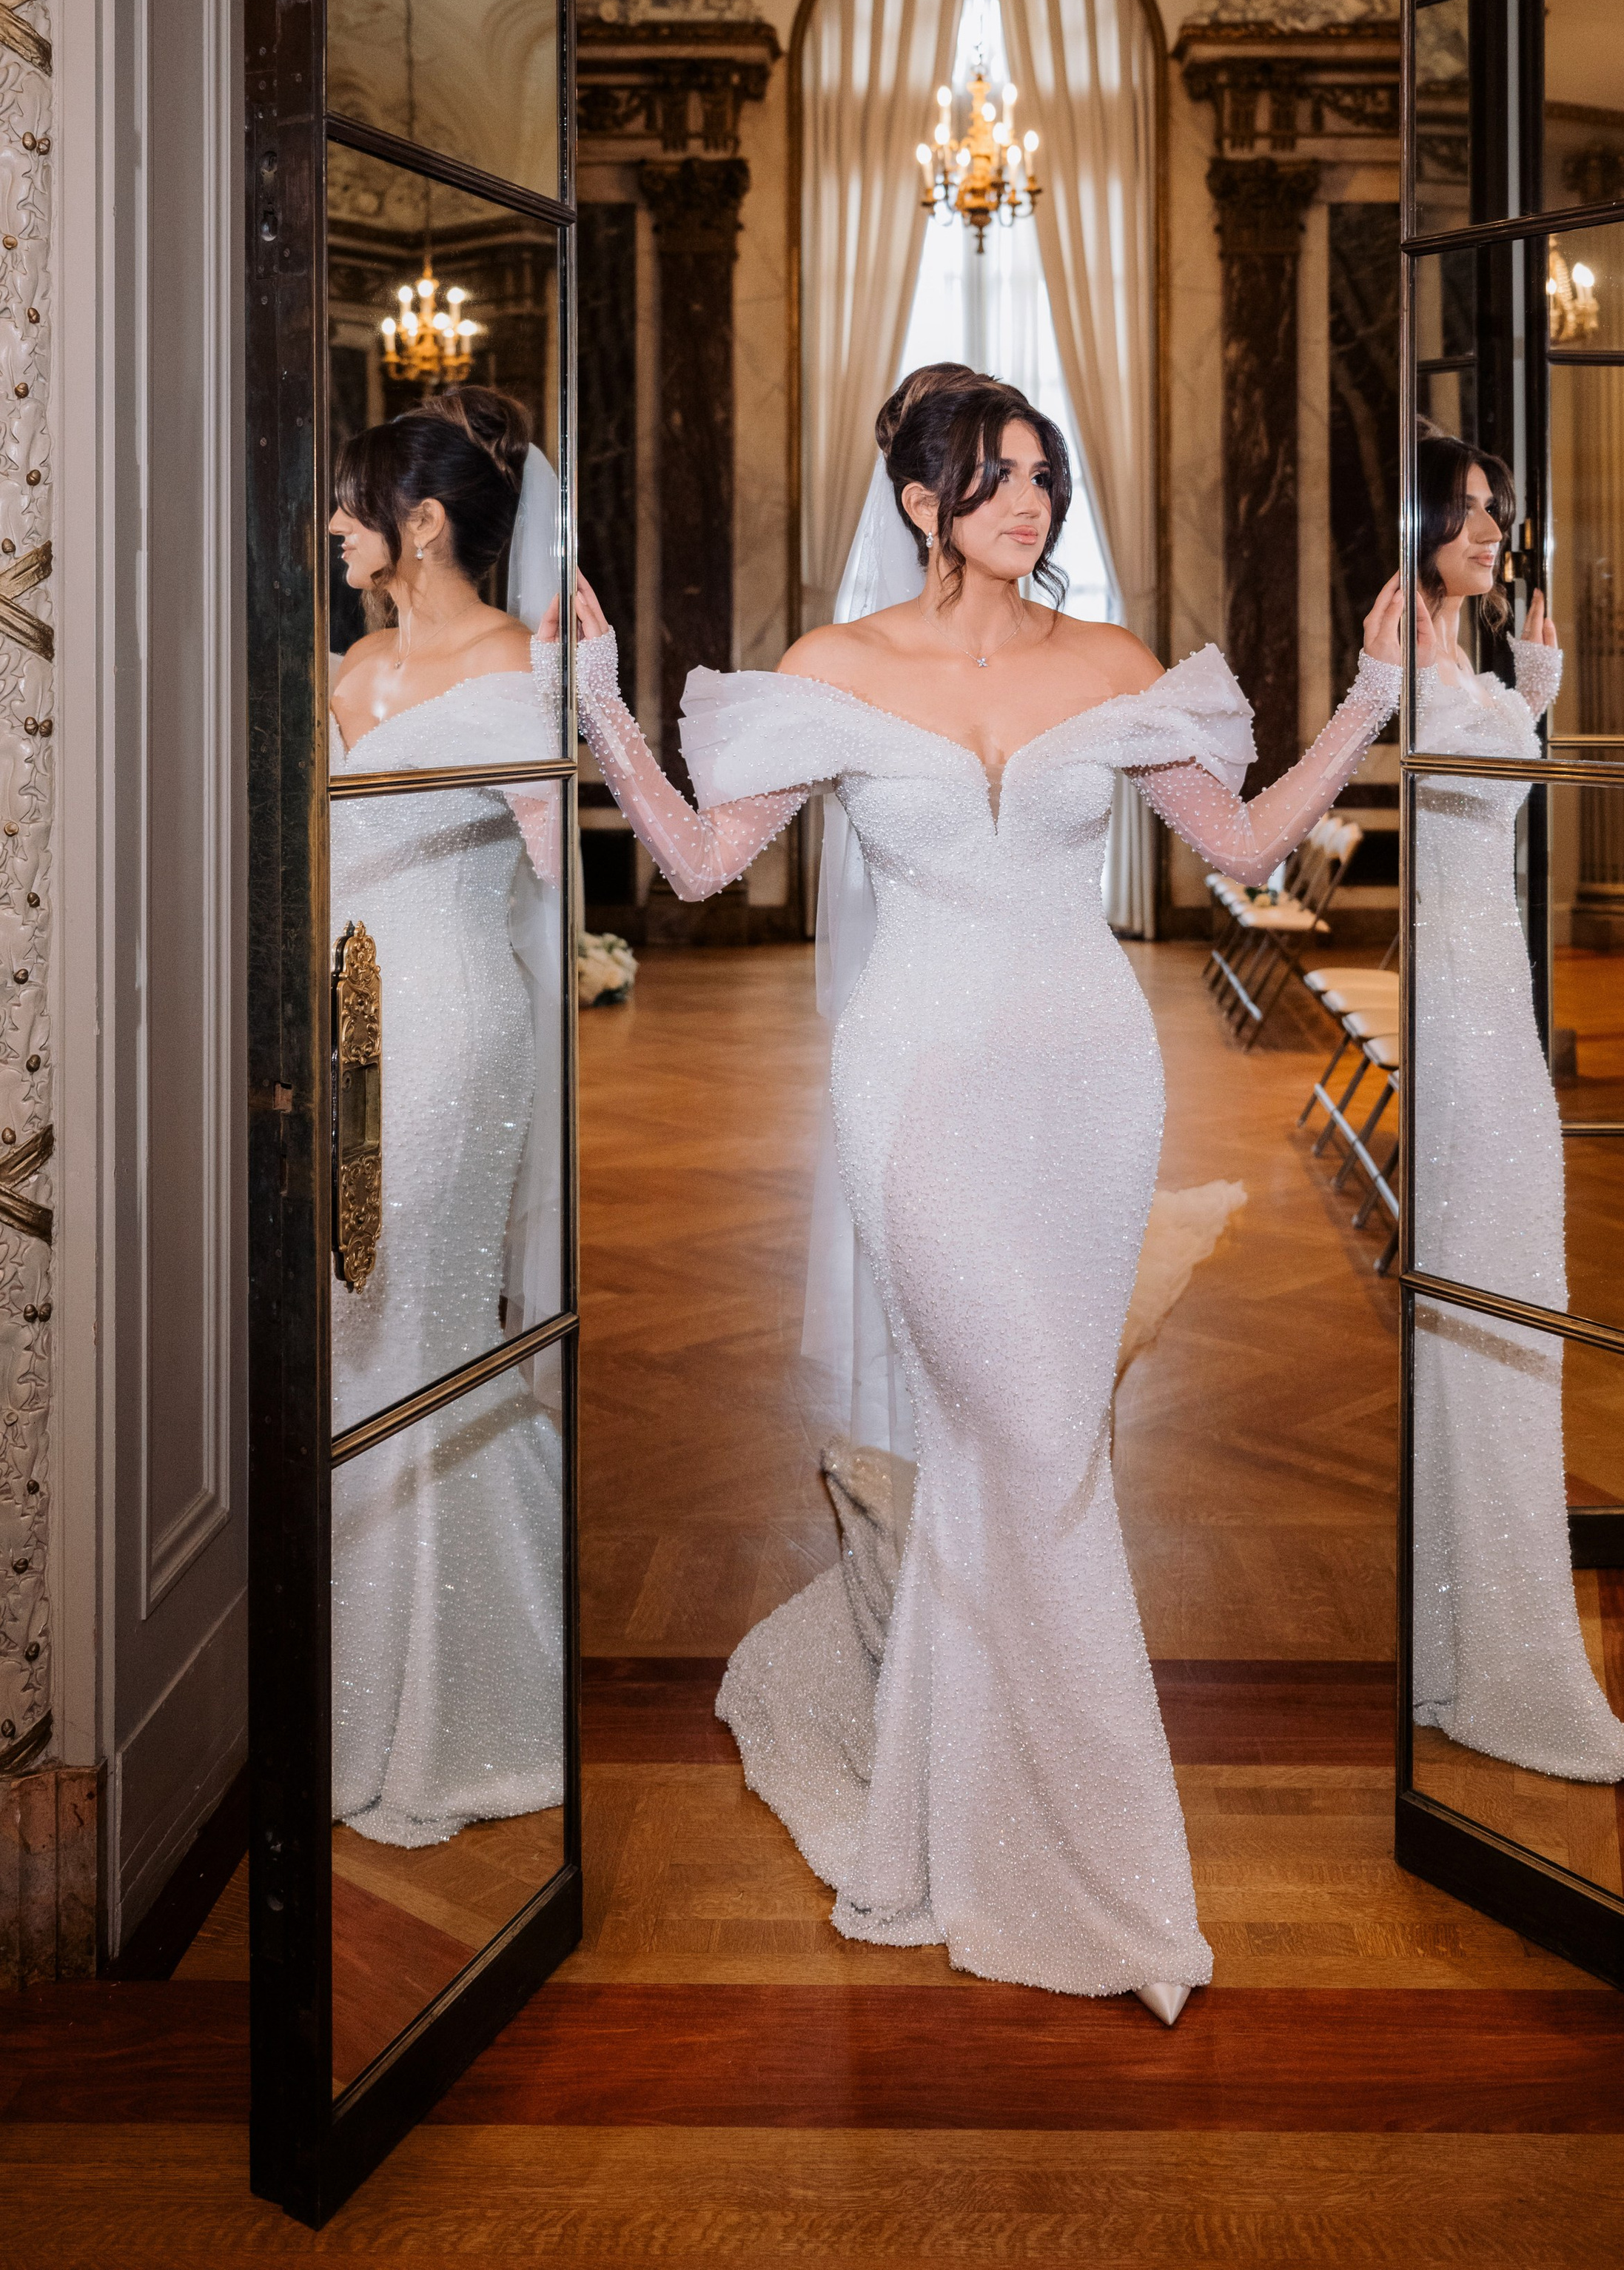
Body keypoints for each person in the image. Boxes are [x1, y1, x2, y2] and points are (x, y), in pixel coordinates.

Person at [541, 366, 1404, 2018]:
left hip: (1090, 1081)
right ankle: (1109, 1869)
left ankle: (952, 1804)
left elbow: (1237, 850)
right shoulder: (832, 668)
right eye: (994, 475)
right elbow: (703, 859)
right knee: (1023, 1437)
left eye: (1044, 476)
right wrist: (595, 699)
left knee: (1034, 1443)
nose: (1030, 501)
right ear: (919, 499)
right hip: (916, 1087)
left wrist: (1367, 697)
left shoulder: (1112, 666)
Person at [1406, 422, 1624, 1784]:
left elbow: (1487, 775)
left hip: (1486, 970)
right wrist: (1520, 709)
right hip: (1456, 995)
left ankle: (1464, 1634)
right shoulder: (1402, 644)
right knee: (1491, 1274)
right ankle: (1484, 1648)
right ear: (1417, 526)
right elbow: (1445, 766)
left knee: (1501, 1279)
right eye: (1467, 510)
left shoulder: (1460, 653)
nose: (1491, 531)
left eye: (1495, 511)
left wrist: (1533, 690)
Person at [326, 385, 566, 1848]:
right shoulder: (350, 665)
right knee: (359, 1318)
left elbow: (560, 873)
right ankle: (362, 1669)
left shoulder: (527, 666)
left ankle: (468, 1691)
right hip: (346, 1016)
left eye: (355, 504)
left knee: (417, 1314)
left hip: (456, 1022)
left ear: (420, 521)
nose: (336, 527)